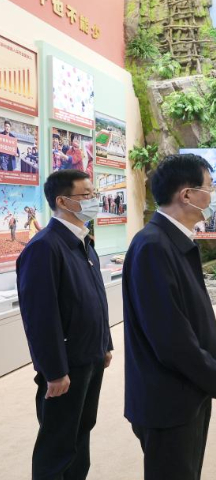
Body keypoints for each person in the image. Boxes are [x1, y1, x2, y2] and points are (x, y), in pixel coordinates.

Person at [123, 154, 216, 480]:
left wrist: (215, 368)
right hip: (168, 399)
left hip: (187, 391)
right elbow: (171, 338)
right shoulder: (153, 247)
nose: (213, 195)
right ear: (187, 195)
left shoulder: (172, 241)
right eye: (210, 187)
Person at [16, 169, 112, 480]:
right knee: (57, 443)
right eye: (87, 195)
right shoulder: (44, 247)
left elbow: (95, 298)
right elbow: (40, 317)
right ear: (63, 201)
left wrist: (105, 344)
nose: (94, 200)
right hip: (66, 365)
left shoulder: (83, 241)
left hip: (90, 356)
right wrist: (54, 371)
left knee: (81, 431)